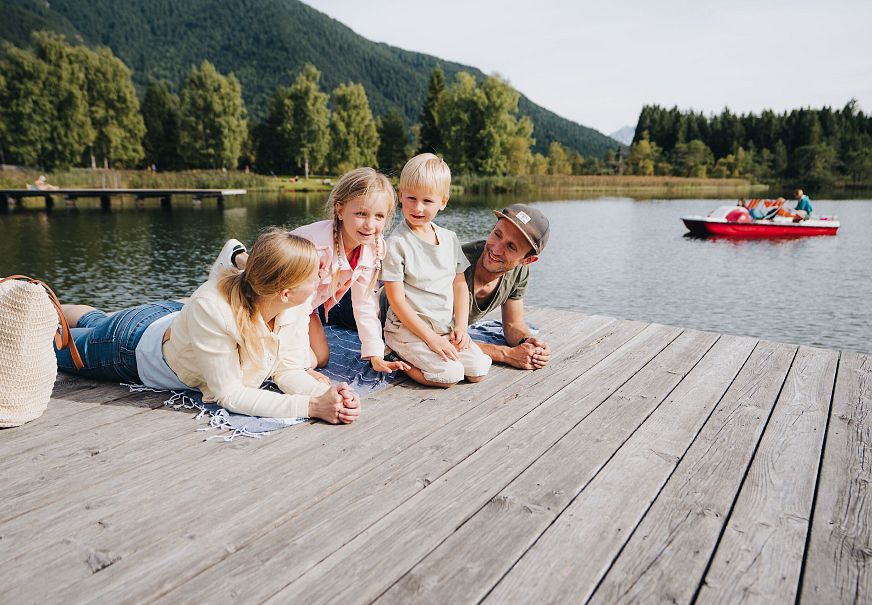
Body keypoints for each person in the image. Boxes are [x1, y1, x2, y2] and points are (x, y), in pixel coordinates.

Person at [55, 229, 360, 424]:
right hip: (128, 345)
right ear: (284, 290)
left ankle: (55, 307)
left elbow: (288, 370)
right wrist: (311, 407)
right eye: (313, 274)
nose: (321, 277)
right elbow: (230, 394)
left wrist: (331, 395)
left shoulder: (291, 307)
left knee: (96, 322)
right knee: (53, 348)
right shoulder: (213, 309)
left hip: (172, 317)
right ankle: (34, 305)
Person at [214, 167, 410, 375]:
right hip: (280, 296)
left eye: (379, 216)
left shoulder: (374, 247)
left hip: (308, 303)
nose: (370, 224)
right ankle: (238, 261)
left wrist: (374, 354)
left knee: (321, 357)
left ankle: (239, 257)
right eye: (361, 214)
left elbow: (365, 304)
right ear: (340, 210)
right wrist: (299, 369)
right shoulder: (317, 248)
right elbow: (295, 304)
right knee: (285, 358)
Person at [381, 153, 492, 388]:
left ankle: (438, 351)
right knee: (449, 377)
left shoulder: (449, 238)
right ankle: (395, 354)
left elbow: (460, 285)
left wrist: (461, 328)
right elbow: (396, 299)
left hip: (444, 328)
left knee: (479, 370)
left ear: (443, 201)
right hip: (407, 329)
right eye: (411, 198)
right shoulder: (397, 243)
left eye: (427, 201)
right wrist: (429, 339)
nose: (417, 207)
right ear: (400, 194)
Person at [463, 204, 551, 370]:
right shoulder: (455, 263)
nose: (496, 249)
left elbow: (512, 325)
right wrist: (507, 354)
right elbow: (437, 339)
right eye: (497, 234)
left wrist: (528, 343)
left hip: (454, 335)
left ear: (527, 260)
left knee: (531, 330)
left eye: (511, 246)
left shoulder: (519, 272)